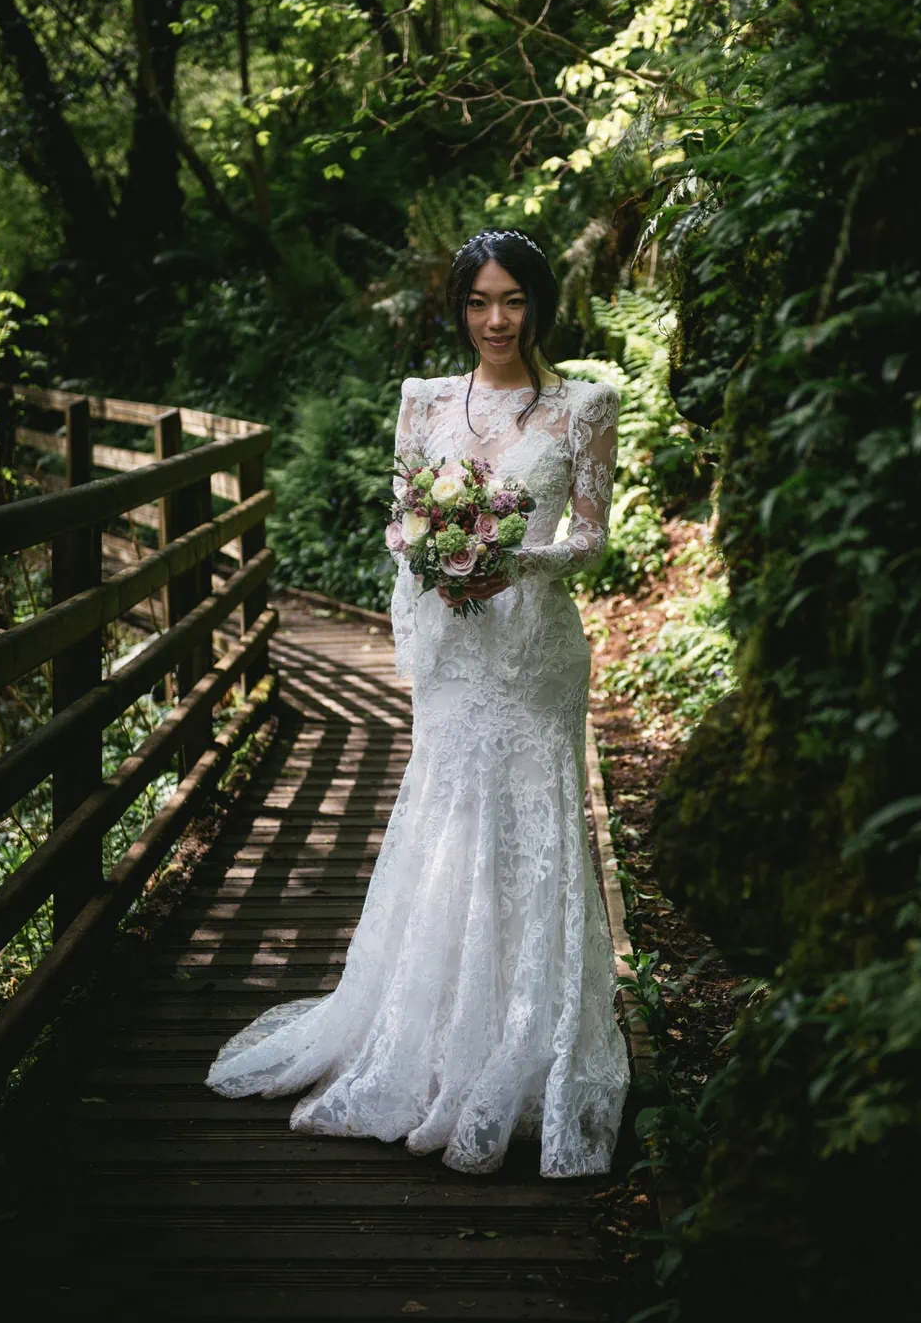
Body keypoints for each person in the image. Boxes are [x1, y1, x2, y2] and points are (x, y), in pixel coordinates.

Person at [205, 228, 630, 1177]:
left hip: (533, 653)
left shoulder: (585, 405)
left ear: (540, 303)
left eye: (512, 300)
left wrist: (513, 557)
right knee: (448, 823)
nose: (495, 320)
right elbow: (400, 523)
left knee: (532, 829)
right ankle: (433, 1036)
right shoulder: (426, 399)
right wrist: (436, 553)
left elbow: (591, 536)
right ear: (459, 308)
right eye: (478, 302)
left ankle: (527, 1046)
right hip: (456, 654)